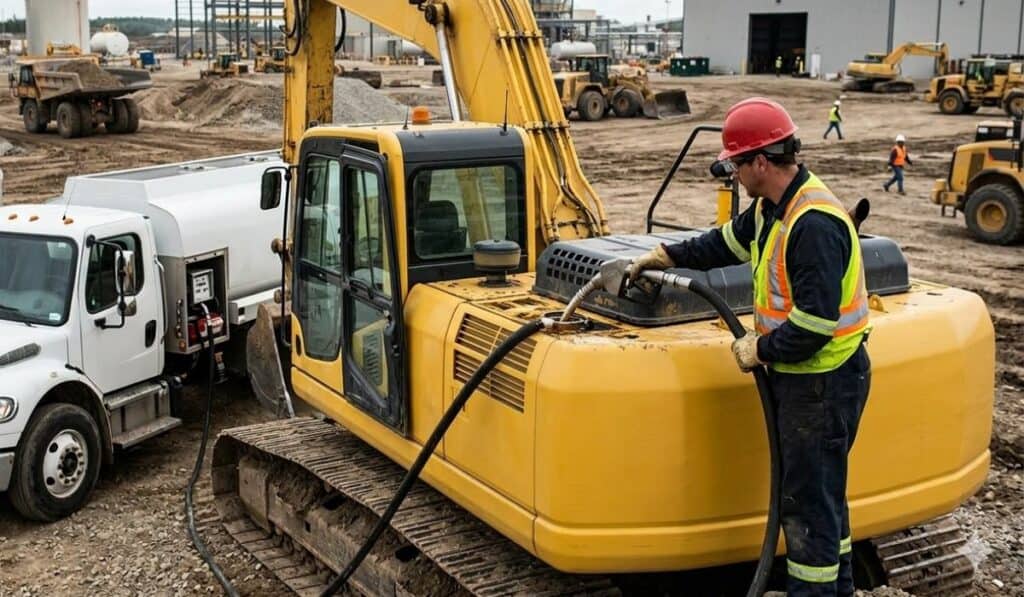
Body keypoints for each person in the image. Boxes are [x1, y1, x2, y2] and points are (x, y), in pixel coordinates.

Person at [630, 97, 871, 597]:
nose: (735, 175)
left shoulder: (813, 224)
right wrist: (665, 254)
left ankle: (817, 592)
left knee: (807, 500)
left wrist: (759, 351)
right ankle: (839, 587)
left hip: (822, 383)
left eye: (737, 164)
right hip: (809, 381)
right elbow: (723, 244)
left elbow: (813, 325)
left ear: (761, 161)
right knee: (821, 495)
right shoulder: (771, 210)